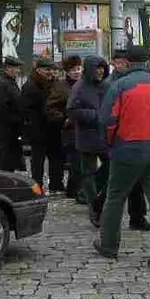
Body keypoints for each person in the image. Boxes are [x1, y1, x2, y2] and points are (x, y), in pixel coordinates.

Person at [93, 46, 150, 273]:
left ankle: (109, 245)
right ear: (149, 62)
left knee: (115, 198)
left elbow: (108, 120)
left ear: (128, 63)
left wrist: (112, 143)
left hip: (127, 150)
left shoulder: (119, 86)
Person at [68, 56, 124, 226]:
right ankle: (94, 205)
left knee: (111, 171)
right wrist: (95, 116)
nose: (100, 71)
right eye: (97, 68)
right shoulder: (79, 87)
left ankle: (99, 202)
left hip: (107, 136)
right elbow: (72, 110)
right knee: (88, 173)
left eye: (102, 68)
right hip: (88, 135)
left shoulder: (108, 85)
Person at [103, 49, 148, 228]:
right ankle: (100, 212)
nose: (122, 65)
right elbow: (107, 117)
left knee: (135, 184)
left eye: (124, 62)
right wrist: (109, 140)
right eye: (118, 62)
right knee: (114, 185)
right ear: (114, 63)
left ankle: (137, 217)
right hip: (120, 141)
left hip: (135, 139)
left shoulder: (133, 82)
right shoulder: (111, 84)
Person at [22, 58, 65, 192]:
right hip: (38, 129)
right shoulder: (31, 85)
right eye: (47, 69)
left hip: (54, 128)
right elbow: (25, 108)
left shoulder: (54, 84)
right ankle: (37, 186)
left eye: (52, 69)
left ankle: (56, 184)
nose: (50, 72)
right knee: (37, 161)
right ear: (38, 70)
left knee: (56, 158)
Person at [0, 57, 26, 171]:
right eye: (16, 68)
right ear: (8, 68)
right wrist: (15, 119)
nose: (18, 71)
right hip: (5, 129)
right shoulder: (1, 83)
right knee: (3, 160)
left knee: (10, 160)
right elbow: (1, 108)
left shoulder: (10, 82)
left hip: (12, 129)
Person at [57, 56, 84, 200]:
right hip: (69, 131)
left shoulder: (84, 84)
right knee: (76, 163)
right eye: (73, 70)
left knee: (80, 163)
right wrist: (65, 118)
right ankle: (74, 191)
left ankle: (76, 190)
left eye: (78, 69)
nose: (77, 72)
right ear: (67, 71)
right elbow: (52, 108)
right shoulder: (61, 86)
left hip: (82, 128)